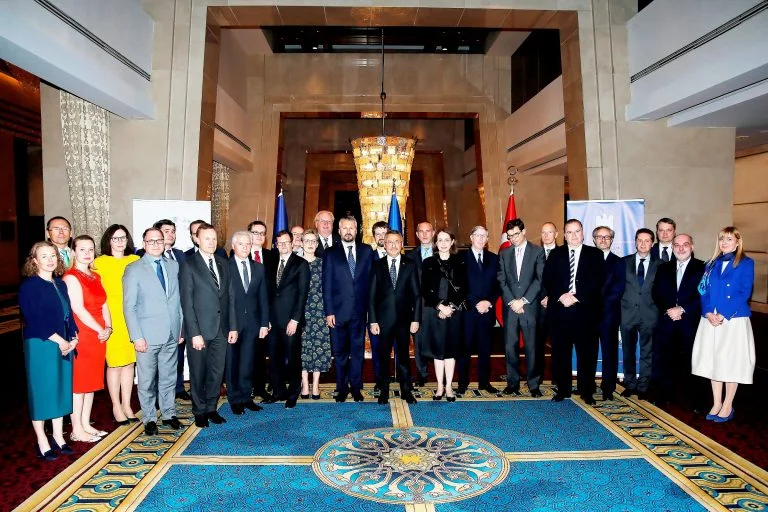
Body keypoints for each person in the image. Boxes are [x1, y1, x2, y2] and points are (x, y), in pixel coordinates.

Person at [19, 242, 78, 460]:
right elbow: (34, 319)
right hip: (41, 344)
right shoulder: (29, 286)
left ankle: (59, 437)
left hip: (63, 343)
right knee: (42, 391)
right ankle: (42, 440)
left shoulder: (60, 284)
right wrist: (60, 341)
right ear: (34, 261)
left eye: (53, 255)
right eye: (44, 256)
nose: (50, 260)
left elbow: (68, 314)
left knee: (60, 389)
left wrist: (74, 336)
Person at [123, 228, 184, 436]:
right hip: (147, 336)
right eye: (151, 241)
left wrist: (181, 328)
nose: (156, 244)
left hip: (171, 333)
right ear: (144, 243)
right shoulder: (134, 269)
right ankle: (149, 418)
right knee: (147, 380)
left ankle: (168, 414)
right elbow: (129, 307)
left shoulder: (173, 265)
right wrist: (136, 336)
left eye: (159, 240)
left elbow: (177, 300)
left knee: (169, 378)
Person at [692, 226, 755, 423]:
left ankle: (728, 404)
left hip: (732, 319)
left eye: (729, 239)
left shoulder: (746, 263)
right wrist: (708, 312)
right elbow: (703, 290)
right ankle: (716, 402)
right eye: (721, 239)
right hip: (711, 318)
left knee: (731, 361)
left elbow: (744, 292)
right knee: (714, 360)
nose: (724, 243)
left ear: (737, 242)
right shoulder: (711, 263)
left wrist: (724, 313)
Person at [180, 222, 238, 428]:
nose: (212, 242)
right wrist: (194, 333)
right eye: (207, 238)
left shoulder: (223, 262)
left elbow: (230, 296)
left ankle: (211, 408)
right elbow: (187, 303)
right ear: (197, 239)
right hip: (200, 331)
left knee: (216, 372)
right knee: (198, 372)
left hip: (222, 329)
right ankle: (199, 410)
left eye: (214, 238)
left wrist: (233, 326)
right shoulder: (189, 264)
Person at [542, 219, 604, 405]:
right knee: (561, 353)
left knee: (587, 354)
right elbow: (548, 279)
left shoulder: (595, 254)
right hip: (560, 311)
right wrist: (561, 295)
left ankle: (587, 391)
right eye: (569, 232)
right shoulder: (555, 254)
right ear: (564, 235)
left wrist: (577, 297)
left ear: (583, 233)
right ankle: (563, 390)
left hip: (585, 312)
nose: (574, 235)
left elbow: (598, 281)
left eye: (577, 231)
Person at [63, 235, 111, 442]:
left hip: (99, 333)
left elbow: (104, 304)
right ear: (73, 252)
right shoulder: (71, 277)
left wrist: (108, 327)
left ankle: (85, 424)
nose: (87, 253)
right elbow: (79, 309)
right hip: (83, 333)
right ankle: (76, 429)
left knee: (91, 382)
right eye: (82, 249)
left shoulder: (96, 276)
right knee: (79, 383)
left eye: (90, 249)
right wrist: (100, 329)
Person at [323, 216, 373, 402]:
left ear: (357, 230)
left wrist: (370, 312)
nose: (348, 231)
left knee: (357, 352)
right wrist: (329, 311)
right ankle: (342, 387)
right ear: (339, 230)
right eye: (345, 228)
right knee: (340, 353)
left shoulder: (367, 251)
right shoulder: (330, 253)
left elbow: (371, 283)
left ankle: (356, 387)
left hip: (359, 312)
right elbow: (326, 284)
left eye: (351, 228)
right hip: (337, 313)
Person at [651, 233, 705, 407]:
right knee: (665, 360)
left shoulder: (702, 267)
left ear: (692, 247)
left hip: (690, 322)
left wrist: (682, 309)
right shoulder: (663, 268)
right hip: (667, 321)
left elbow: (703, 294)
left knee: (692, 361)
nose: (681, 248)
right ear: (672, 247)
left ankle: (695, 401)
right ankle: (665, 396)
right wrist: (669, 310)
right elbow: (656, 292)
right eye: (677, 245)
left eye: (685, 244)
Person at [93, 224, 140, 425]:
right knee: (114, 364)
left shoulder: (135, 260)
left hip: (132, 317)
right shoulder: (99, 263)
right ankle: (116, 406)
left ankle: (127, 405)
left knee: (129, 363)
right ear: (108, 241)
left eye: (123, 238)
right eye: (115, 238)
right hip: (110, 317)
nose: (120, 242)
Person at [369, 230, 421, 405]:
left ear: (401, 244)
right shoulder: (377, 265)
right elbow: (371, 296)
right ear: (384, 244)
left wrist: (416, 319)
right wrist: (373, 320)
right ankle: (384, 391)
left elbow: (417, 295)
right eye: (389, 242)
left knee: (404, 357)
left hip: (404, 321)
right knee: (383, 357)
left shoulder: (410, 264)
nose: (393, 245)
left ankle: (406, 390)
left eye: (396, 241)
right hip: (382, 321)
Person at [497, 219, 545, 397]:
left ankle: (533, 384)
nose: (513, 239)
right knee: (510, 347)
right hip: (511, 308)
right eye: (509, 236)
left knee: (532, 347)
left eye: (516, 234)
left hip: (529, 307)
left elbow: (539, 280)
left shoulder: (537, 251)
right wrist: (512, 301)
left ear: (524, 231)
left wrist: (523, 300)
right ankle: (512, 383)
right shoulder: (504, 253)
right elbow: (501, 280)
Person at [264, 230, 310, 408]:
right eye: (279, 243)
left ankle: (293, 393)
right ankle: (278, 391)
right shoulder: (271, 261)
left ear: (292, 243)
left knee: (293, 359)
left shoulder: (301, 263)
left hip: (291, 321)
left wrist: (295, 320)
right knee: (274, 359)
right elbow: (268, 292)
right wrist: (266, 319)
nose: (283, 245)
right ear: (276, 244)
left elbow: (302, 294)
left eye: (286, 242)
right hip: (273, 321)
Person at [421, 228, 467, 402]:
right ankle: (440, 386)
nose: (443, 243)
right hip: (435, 312)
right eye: (440, 240)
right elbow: (425, 289)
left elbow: (464, 288)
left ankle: (449, 387)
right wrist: (440, 306)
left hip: (454, 313)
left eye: (447, 239)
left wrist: (450, 308)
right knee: (438, 350)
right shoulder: (428, 262)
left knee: (451, 351)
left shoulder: (460, 261)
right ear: (435, 243)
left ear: (452, 242)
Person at [227, 231, 269, 415]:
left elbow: (263, 298)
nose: (245, 247)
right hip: (232, 324)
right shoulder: (225, 267)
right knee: (232, 363)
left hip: (253, 323)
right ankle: (235, 398)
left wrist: (264, 323)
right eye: (241, 244)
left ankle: (246, 397)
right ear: (233, 246)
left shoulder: (258, 268)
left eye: (248, 244)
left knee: (248, 362)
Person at [458, 226, 500, 394]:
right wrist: (476, 302)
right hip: (468, 311)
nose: (481, 239)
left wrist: (488, 302)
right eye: (478, 235)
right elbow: (460, 285)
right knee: (464, 349)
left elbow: (498, 285)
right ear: (471, 237)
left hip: (487, 311)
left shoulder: (494, 258)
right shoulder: (461, 258)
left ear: (487, 239)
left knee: (485, 349)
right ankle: (463, 383)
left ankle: (484, 382)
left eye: (484, 236)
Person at [620, 228, 660, 400]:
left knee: (647, 351)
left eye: (647, 240)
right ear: (635, 242)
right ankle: (630, 383)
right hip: (627, 314)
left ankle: (643, 385)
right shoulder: (623, 262)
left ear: (652, 243)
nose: (643, 244)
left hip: (650, 314)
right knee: (628, 351)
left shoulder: (661, 265)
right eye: (640, 240)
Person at [152, 219, 188, 401]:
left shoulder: (180, 255)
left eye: (173, 231)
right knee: (159, 358)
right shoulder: (145, 255)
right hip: (158, 316)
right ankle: (158, 394)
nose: (171, 234)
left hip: (179, 312)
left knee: (178, 354)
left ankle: (178, 387)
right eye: (166, 231)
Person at [592, 226, 625, 401]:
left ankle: (608, 388)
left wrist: (599, 304)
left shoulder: (619, 262)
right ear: (594, 239)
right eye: (599, 236)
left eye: (607, 237)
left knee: (609, 353)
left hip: (609, 315)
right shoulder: (586, 260)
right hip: (588, 315)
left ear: (611, 240)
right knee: (588, 352)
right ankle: (587, 385)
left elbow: (618, 289)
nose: (603, 240)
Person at [247, 219, 277, 399]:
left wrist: (269, 317)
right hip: (246, 314)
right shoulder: (239, 253)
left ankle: (260, 388)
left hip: (267, 313)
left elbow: (274, 287)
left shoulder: (272, 256)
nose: (259, 236)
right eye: (255, 232)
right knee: (246, 353)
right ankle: (246, 388)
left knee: (261, 353)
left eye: (262, 233)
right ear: (249, 234)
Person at [300, 229, 331, 400]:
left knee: (319, 346)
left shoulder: (323, 264)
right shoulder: (295, 263)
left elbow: (329, 289)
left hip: (320, 311)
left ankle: (316, 384)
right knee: (302, 347)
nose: (310, 244)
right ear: (301, 243)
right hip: (300, 311)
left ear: (317, 244)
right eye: (307, 240)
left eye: (313, 241)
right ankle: (305, 383)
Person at [406, 221, 435, 387]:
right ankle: (422, 373)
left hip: (439, 306)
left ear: (433, 233)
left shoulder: (442, 251)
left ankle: (441, 372)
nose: (424, 234)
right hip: (418, 305)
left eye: (428, 231)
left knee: (439, 339)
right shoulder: (410, 256)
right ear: (417, 234)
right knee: (419, 340)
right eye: (421, 231)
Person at [369, 220, 389, 387]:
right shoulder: (368, 257)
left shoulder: (399, 257)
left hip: (396, 311)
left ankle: (399, 377)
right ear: (374, 237)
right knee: (377, 348)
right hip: (375, 312)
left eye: (384, 233)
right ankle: (380, 380)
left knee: (398, 347)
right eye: (378, 234)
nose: (381, 236)